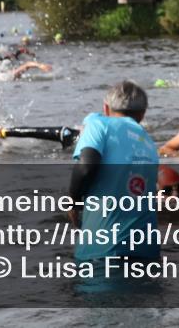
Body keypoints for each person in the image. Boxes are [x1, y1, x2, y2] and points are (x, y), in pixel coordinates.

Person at [67, 81, 160, 262]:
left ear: (106, 108)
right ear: (142, 114)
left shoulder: (98, 123)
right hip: (148, 253)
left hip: (102, 252)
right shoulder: (149, 143)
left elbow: (86, 167)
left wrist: (73, 201)